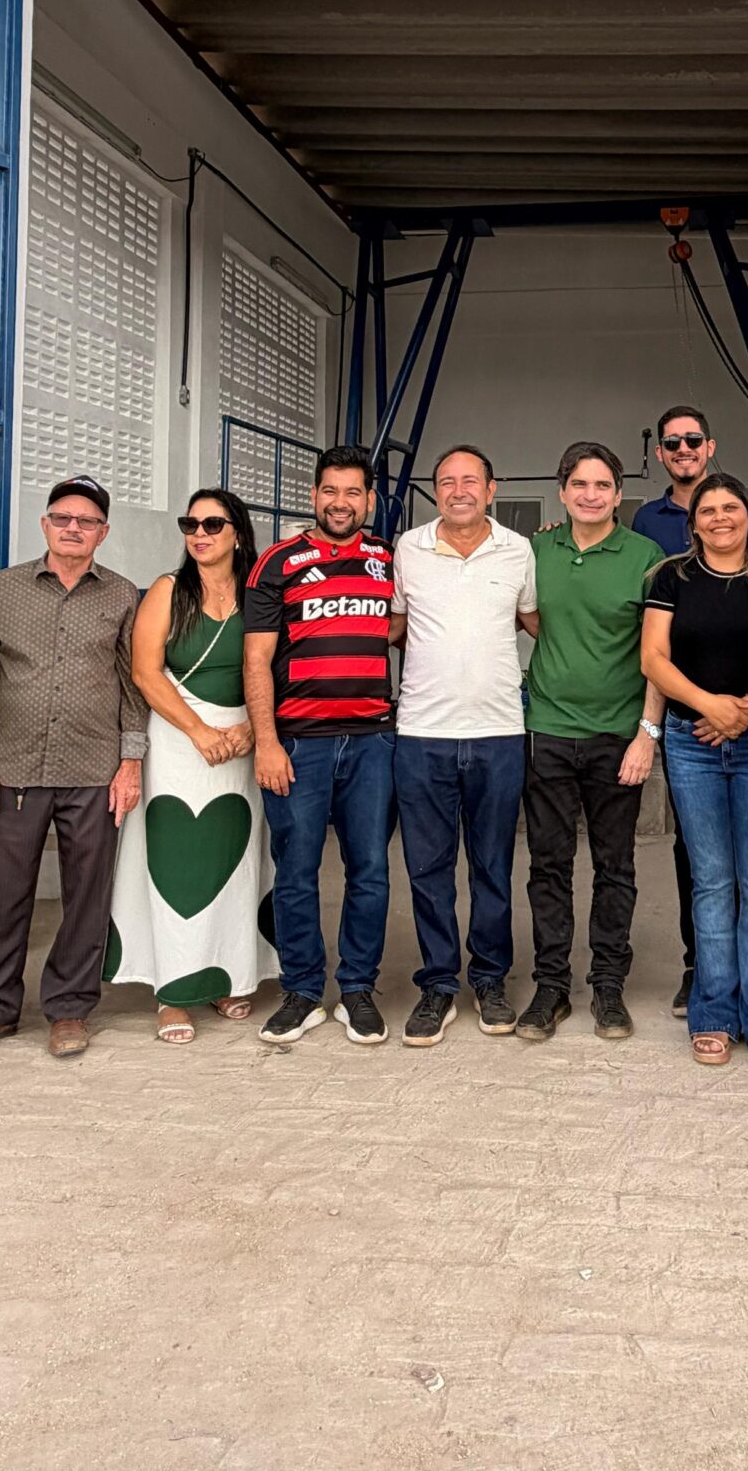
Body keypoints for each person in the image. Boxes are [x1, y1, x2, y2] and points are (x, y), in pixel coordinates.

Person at [0, 477, 147, 1065]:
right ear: (45, 524)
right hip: (13, 770)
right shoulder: (3, 589)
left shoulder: (122, 594)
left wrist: (130, 763)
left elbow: (133, 683)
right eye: (63, 518)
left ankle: (70, 1009)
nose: (73, 528)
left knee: (87, 895)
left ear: (103, 533)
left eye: (87, 521)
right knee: (0, 895)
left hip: (95, 768)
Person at [632, 403, 748, 1023]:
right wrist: (711, 708)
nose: (720, 517)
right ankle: (713, 1007)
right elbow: (653, 657)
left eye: (731, 508)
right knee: (711, 878)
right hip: (690, 737)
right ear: (691, 524)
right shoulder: (669, 574)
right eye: (708, 511)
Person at [108, 488, 277, 1043]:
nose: (199, 534)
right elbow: (145, 671)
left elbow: (277, 665)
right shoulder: (168, 589)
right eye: (190, 524)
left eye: (212, 524)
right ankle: (173, 992)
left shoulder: (260, 591)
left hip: (242, 741)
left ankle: (229, 974)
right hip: (179, 741)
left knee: (236, 862)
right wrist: (199, 731)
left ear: (238, 533)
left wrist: (252, 729)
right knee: (175, 865)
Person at [245, 447, 399, 1048]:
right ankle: (303, 992)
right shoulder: (277, 562)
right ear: (313, 496)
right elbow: (256, 659)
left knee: (371, 870)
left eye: (353, 492)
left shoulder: (387, 559)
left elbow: (401, 625)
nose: (341, 503)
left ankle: (357, 988)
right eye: (330, 491)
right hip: (297, 744)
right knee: (296, 871)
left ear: (369, 499)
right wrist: (266, 742)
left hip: (371, 743)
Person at [391, 444, 540, 1045]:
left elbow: (535, 621)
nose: (459, 490)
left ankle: (490, 978)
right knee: (427, 869)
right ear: (436, 491)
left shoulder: (519, 550)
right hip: (421, 734)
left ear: (491, 488)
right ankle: (437, 984)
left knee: (492, 866)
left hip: (499, 732)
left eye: (470, 480)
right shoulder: (408, 548)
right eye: (447, 481)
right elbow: (395, 627)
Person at [518, 442, 667, 1042]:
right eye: (579, 484)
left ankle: (608, 985)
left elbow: (658, 654)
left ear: (619, 494)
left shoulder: (645, 557)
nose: (590, 495)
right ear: (562, 492)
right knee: (548, 865)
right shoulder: (535, 551)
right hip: (549, 731)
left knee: (615, 865)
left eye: (602, 485)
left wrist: (646, 735)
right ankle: (551, 986)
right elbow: (531, 618)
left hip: (617, 735)